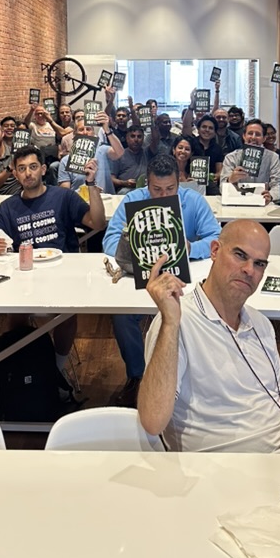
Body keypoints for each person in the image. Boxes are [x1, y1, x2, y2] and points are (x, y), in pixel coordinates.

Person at [137, 220, 280, 453]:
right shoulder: (176, 322)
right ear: (215, 251)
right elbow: (152, 422)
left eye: (259, 263)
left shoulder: (260, 324)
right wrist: (170, 322)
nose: (250, 270)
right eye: (240, 255)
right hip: (225, 474)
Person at [102, 154, 221, 407]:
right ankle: (137, 376)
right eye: (156, 190)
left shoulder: (193, 201)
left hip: (184, 278)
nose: (163, 195)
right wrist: (135, 249)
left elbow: (216, 240)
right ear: (148, 185)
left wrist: (190, 248)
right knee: (122, 315)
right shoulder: (133, 199)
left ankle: (192, 379)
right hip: (142, 275)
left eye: (170, 189)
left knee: (198, 313)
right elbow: (109, 241)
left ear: (179, 183)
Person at [0, 144, 106, 372]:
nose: (28, 173)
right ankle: (21, 367)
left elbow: (98, 223)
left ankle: (57, 368)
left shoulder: (63, 197)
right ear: (15, 173)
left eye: (33, 167)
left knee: (67, 315)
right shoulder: (7, 207)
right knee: (14, 314)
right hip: (24, 277)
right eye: (21, 168)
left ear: (43, 169)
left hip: (64, 274)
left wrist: (90, 184)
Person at [57, 112, 123, 193]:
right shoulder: (65, 161)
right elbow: (64, 191)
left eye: (88, 129)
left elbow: (120, 153)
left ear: (93, 134)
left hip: (105, 200)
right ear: (74, 135)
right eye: (81, 130)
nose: (85, 132)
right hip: (80, 202)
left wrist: (107, 130)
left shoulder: (102, 150)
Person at [221, 118, 280, 201]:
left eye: (257, 134)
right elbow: (222, 188)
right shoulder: (231, 157)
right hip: (237, 202)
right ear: (244, 136)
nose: (253, 137)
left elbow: (278, 185)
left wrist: (270, 195)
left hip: (264, 202)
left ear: (264, 138)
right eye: (250, 133)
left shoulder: (273, 157)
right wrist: (230, 180)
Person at [189, 114, 225, 195]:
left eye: (211, 128)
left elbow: (219, 170)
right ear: (198, 129)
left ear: (215, 132)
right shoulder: (190, 144)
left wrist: (216, 176)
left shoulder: (217, 148)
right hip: (190, 183)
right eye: (204, 127)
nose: (207, 130)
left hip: (210, 184)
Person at [110, 124, 147, 191]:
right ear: (127, 138)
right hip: (126, 189)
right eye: (132, 136)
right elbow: (112, 179)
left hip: (144, 189)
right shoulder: (119, 154)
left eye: (139, 136)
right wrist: (125, 183)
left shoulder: (148, 153)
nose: (136, 139)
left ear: (143, 139)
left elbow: (155, 139)